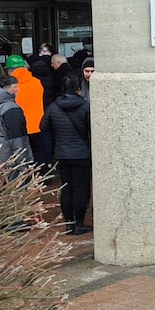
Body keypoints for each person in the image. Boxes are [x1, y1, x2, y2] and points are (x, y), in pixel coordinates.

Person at [40, 74, 92, 235]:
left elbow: (43, 126)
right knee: (80, 189)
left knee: (66, 188)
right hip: (81, 153)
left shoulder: (54, 106)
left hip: (62, 153)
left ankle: (68, 224)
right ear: (78, 88)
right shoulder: (85, 106)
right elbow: (93, 128)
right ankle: (79, 223)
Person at [8, 54, 48, 171]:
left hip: (20, 125)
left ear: (10, 71)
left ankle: (26, 178)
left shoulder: (12, 87)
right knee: (39, 152)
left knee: (22, 154)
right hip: (37, 123)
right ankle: (43, 175)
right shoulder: (36, 82)